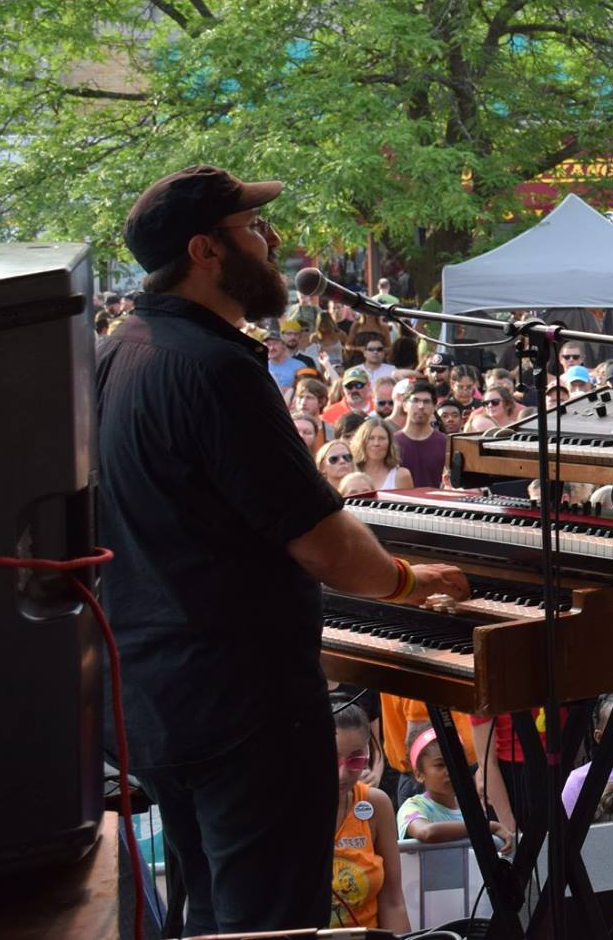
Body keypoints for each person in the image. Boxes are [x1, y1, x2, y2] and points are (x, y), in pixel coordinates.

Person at [95, 166, 468, 934]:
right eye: (252, 229)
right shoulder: (218, 367)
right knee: (269, 920)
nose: (270, 241)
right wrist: (404, 580)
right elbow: (325, 543)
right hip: (244, 707)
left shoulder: (117, 350)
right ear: (205, 249)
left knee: (205, 909)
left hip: (155, 694)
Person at [327, 705, 409, 930]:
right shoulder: (287, 809)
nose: (343, 775)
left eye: (356, 761)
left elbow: (392, 902)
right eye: (332, 759)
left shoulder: (376, 805)